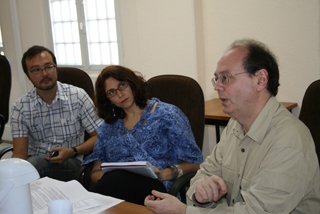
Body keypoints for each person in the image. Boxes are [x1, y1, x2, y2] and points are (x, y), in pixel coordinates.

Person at [144, 39, 320, 213]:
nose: (218, 86)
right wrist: (201, 194)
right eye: (216, 79)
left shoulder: (288, 139)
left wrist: (185, 212)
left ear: (260, 80)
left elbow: (257, 211)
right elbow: (203, 174)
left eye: (226, 78)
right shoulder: (235, 124)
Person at [81, 65, 204, 205]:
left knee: (115, 181)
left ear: (132, 82)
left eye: (122, 85)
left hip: (158, 189)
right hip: (115, 190)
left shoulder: (167, 115)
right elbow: (96, 172)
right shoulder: (107, 128)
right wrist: (112, 178)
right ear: (107, 99)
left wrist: (166, 173)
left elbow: (196, 163)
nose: (120, 94)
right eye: (111, 92)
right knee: (117, 178)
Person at [11, 45, 103, 181]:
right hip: (35, 164)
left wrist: (73, 151)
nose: (44, 74)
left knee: (33, 167)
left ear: (55, 67)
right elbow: (20, 153)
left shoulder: (77, 96)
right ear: (28, 75)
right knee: (17, 171)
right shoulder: (21, 107)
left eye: (48, 67)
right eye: (36, 70)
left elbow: (100, 136)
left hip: (70, 163)